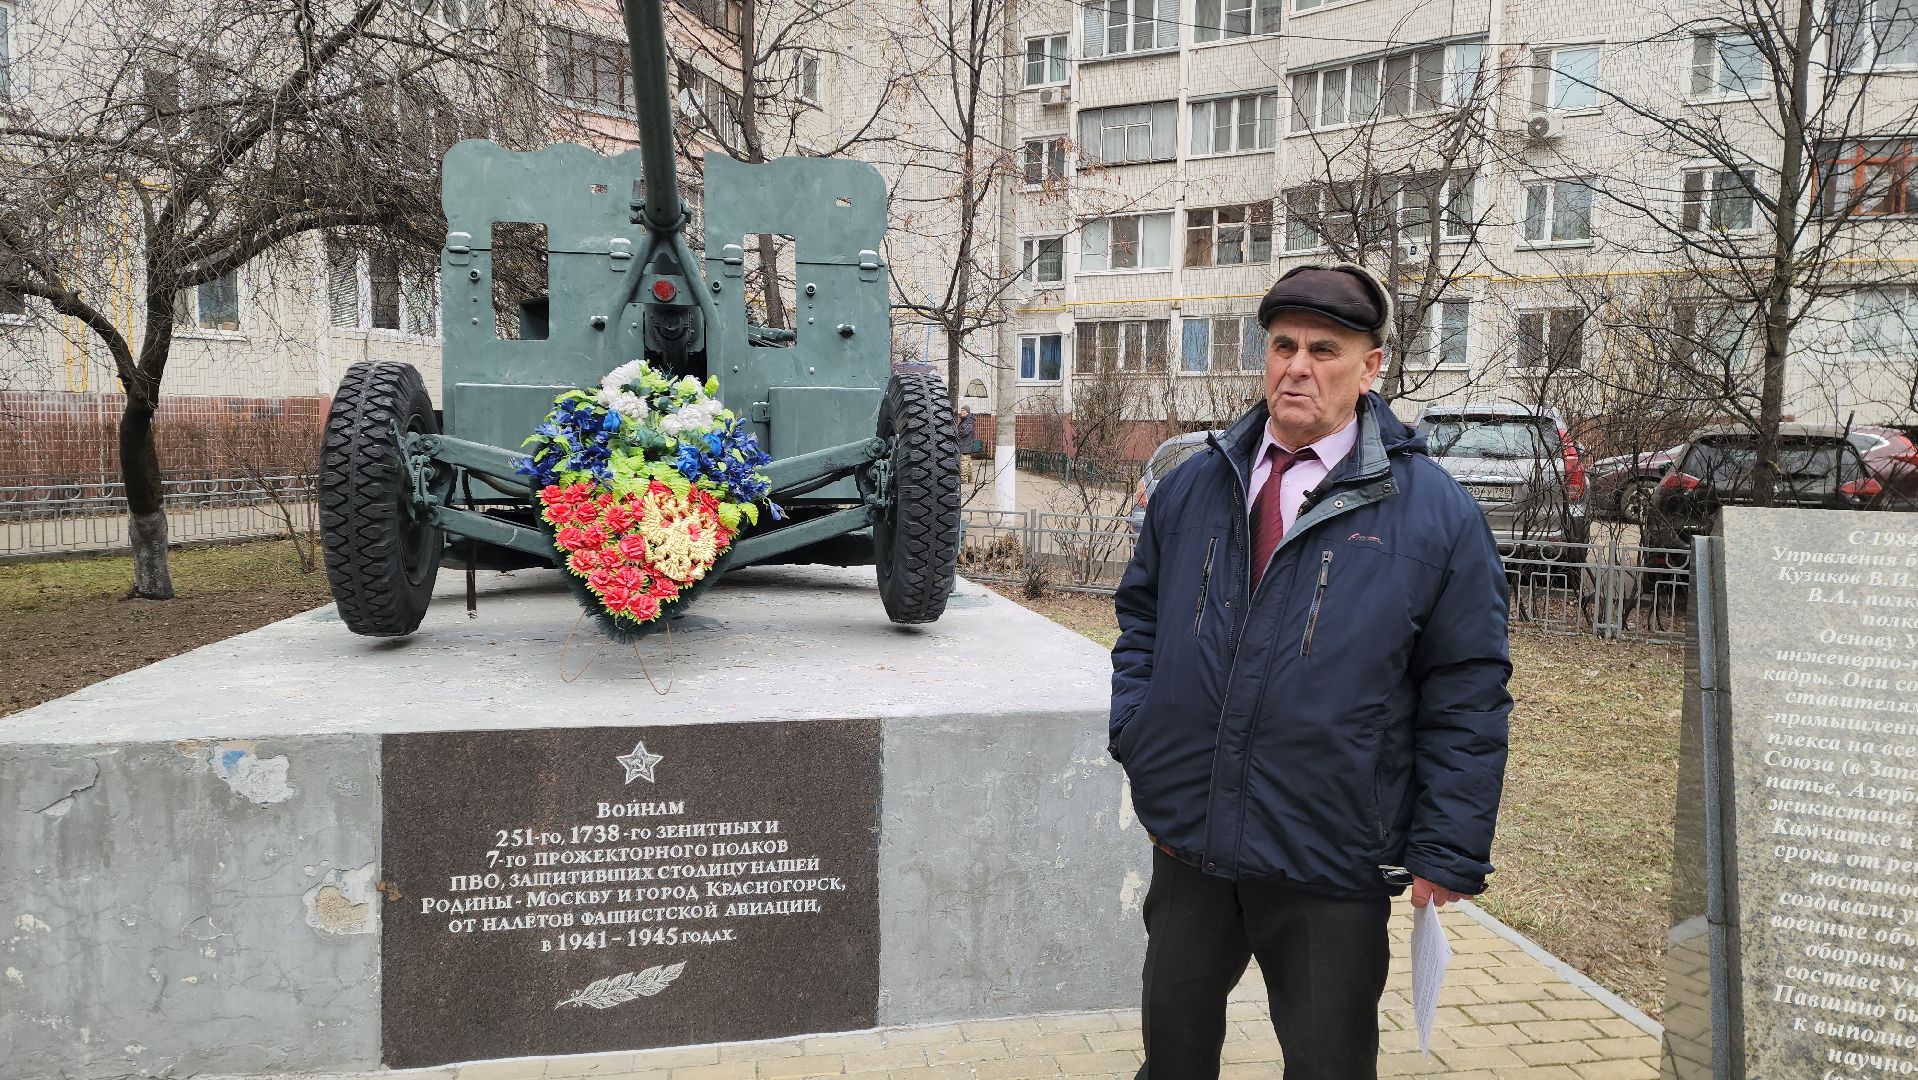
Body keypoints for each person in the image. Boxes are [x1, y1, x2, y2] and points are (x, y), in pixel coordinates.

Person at [1108, 263, 1511, 1080]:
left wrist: (1449, 845)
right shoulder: (1195, 484)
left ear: (1371, 368)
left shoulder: (1432, 512)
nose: (1298, 365)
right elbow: (1141, 618)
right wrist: (1140, 734)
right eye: (1283, 345)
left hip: (1329, 852)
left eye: (1325, 349)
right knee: (1173, 1060)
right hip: (1192, 838)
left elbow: (1467, 687)